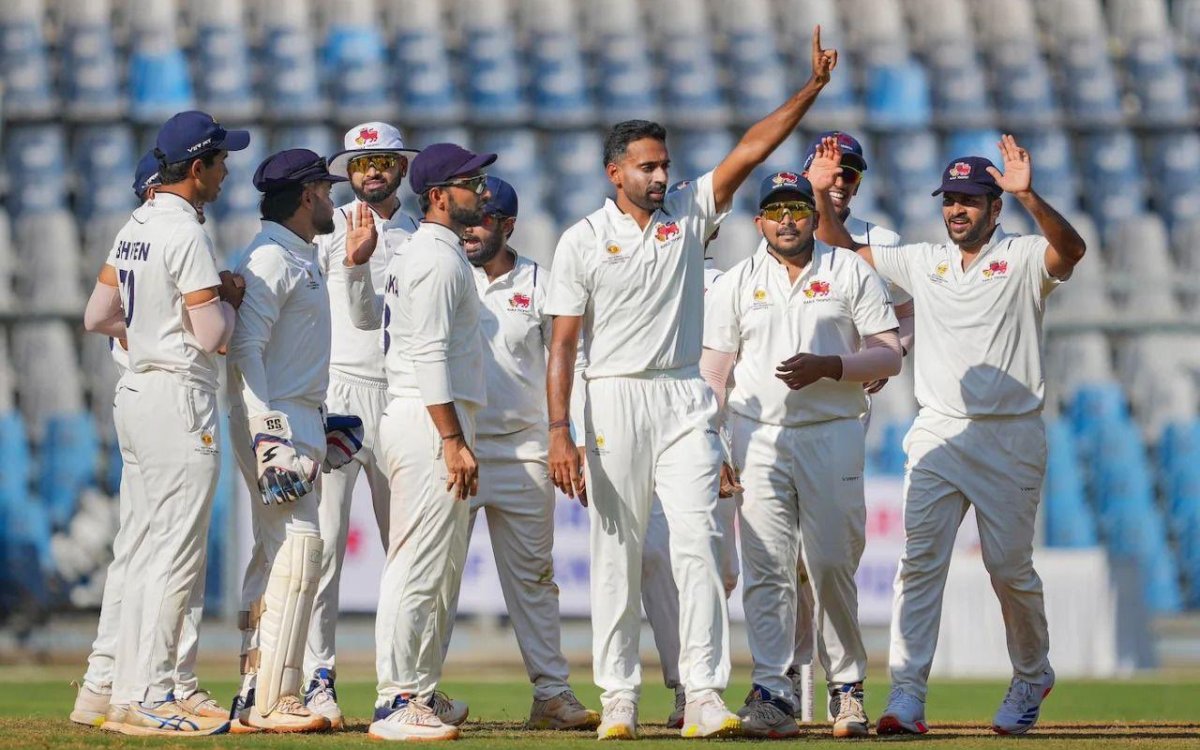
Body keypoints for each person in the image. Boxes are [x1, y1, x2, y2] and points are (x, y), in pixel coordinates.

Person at [543, 26, 839, 741]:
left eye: (664, 165)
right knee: (617, 552)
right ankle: (619, 695)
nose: (658, 176)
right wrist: (559, 431)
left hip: (682, 395)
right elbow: (563, 344)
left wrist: (810, 90)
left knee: (700, 542)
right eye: (645, 166)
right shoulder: (581, 239)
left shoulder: (688, 212)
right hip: (612, 394)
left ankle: (702, 691)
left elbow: (751, 150)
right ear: (614, 172)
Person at [808, 134, 1086, 735]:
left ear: (995, 207)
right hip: (937, 431)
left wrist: (1030, 195)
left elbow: (1072, 250)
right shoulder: (923, 261)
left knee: (1008, 569)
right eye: (951, 200)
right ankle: (907, 695)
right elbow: (837, 247)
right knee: (919, 564)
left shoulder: (1023, 256)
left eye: (971, 200)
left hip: (1009, 436)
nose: (957, 210)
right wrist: (821, 194)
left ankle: (1032, 672)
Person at [701, 172, 902, 739]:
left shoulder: (850, 271)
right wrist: (711, 441)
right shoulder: (736, 282)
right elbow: (714, 373)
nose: (786, 219)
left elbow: (889, 356)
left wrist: (831, 366)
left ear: (814, 217)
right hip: (757, 435)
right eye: (774, 211)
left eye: (796, 208)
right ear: (759, 221)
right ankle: (773, 690)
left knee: (832, 562)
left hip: (832, 430)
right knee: (767, 567)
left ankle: (847, 688)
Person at [81, 110, 249, 736]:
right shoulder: (183, 232)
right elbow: (210, 335)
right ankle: (148, 696)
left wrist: (148, 333)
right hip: (179, 398)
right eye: (221, 162)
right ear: (197, 167)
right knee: (175, 552)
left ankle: (112, 689)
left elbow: (99, 316)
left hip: (137, 393)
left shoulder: (137, 223)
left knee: (144, 547)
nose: (226, 172)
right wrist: (229, 299)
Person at [416, 175, 597, 730]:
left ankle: (552, 694)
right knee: (437, 576)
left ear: (508, 226)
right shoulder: (446, 271)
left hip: (525, 449)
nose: (471, 230)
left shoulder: (540, 283)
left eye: (484, 221)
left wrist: (570, 436)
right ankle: (418, 694)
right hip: (458, 449)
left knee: (534, 579)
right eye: (468, 220)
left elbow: (570, 361)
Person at [347, 143, 493, 742]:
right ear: (437, 196)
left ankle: (421, 691)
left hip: (434, 416)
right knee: (416, 562)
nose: (482, 191)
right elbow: (429, 353)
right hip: (430, 420)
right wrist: (452, 438)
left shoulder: (431, 250)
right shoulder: (434, 257)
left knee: (441, 566)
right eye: (470, 183)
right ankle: (396, 700)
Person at [227, 149, 358, 733]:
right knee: (301, 547)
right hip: (274, 420)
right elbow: (244, 350)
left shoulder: (298, 255)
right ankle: (275, 699)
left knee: (274, 552)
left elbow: (287, 354)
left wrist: (320, 421)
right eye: (327, 192)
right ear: (307, 196)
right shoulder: (270, 259)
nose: (332, 201)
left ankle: (253, 692)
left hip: (298, 415)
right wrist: (270, 436)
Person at [789, 130, 915, 721]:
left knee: (832, 557)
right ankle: (786, 684)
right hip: (779, 421)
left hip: (841, 417)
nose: (839, 180)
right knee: (783, 563)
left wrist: (890, 353)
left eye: (849, 173)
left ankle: (844, 686)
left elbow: (907, 312)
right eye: (829, 169)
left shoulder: (879, 241)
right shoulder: (777, 231)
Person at [304, 122, 421, 727]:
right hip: (339, 393)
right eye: (359, 163)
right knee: (322, 544)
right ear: (347, 172)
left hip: (400, 395)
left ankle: (404, 686)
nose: (370, 171)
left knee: (406, 547)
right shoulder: (327, 227)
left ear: (402, 167)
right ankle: (316, 678)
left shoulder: (424, 235)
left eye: (381, 161)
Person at [634, 180, 740, 730]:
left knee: (719, 569)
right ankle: (688, 686)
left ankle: (773, 684)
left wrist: (718, 440)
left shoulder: (727, 284)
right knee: (658, 558)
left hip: (715, 435)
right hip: (649, 431)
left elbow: (733, 372)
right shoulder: (636, 271)